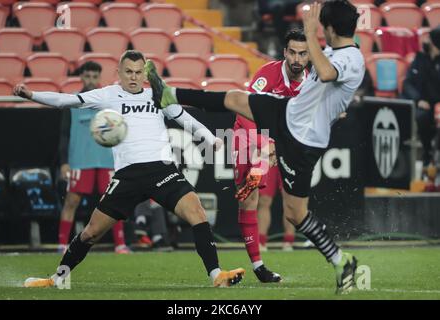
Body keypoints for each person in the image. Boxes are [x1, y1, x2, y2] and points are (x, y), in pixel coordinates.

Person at [146, 0, 364, 293]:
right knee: (235, 99)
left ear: (330, 28)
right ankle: (168, 94)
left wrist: (312, 34)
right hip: (289, 116)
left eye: (323, 26)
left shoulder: (349, 58)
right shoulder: (328, 54)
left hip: (302, 140)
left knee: (295, 213)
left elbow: (325, 74)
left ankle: (337, 258)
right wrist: (262, 156)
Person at [16, 50, 245, 288]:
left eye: (138, 73)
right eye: (128, 72)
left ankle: (216, 275)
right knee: (91, 232)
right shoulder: (107, 95)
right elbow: (67, 100)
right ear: (119, 72)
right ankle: (57, 279)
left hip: (162, 170)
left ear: (144, 74)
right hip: (128, 175)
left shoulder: (157, 95)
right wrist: (32, 94)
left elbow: (186, 119)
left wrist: (210, 139)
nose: (133, 77)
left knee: (197, 212)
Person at [233, 28, 309, 283]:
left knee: (293, 201)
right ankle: (258, 263)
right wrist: (265, 144)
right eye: (293, 53)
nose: (297, 59)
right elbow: (244, 112)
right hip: (249, 135)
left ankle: (292, 242)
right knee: (250, 199)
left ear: (310, 56)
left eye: (303, 54)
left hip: (280, 144)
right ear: (285, 52)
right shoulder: (268, 74)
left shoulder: (310, 84)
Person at [57, 61, 130, 255]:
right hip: (80, 160)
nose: (91, 80)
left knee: (113, 202)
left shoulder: (110, 101)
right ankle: (62, 244)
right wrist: (64, 162)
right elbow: (64, 134)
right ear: (81, 77)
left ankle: (120, 244)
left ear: (99, 77)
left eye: (94, 77)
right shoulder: (72, 102)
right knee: (71, 201)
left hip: (107, 160)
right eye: (87, 76)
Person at [402, 25, 440, 167]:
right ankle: (427, 152)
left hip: (436, 103)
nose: (426, 40)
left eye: (430, 38)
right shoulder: (420, 58)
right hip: (422, 102)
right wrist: (418, 99)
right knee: (420, 116)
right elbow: (407, 82)